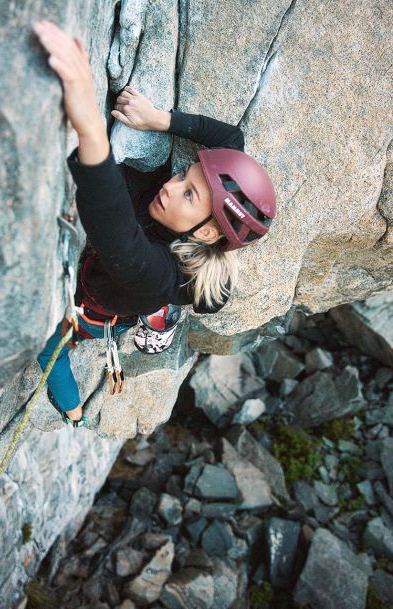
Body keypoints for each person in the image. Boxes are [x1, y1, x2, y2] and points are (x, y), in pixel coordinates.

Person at [33, 20, 277, 428]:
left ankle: (74, 413)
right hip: (142, 262)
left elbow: (121, 243)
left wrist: (90, 127)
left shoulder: (160, 276)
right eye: (183, 175)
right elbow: (232, 140)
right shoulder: (179, 211)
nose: (171, 185)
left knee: (49, 348)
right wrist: (158, 119)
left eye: (189, 194)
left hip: (101, 297)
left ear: (206, 232)